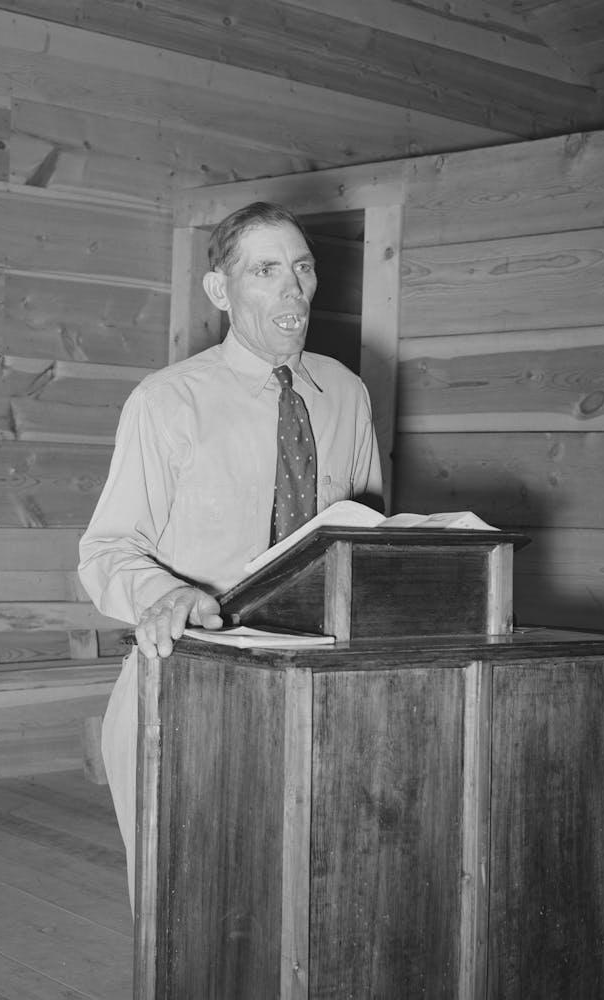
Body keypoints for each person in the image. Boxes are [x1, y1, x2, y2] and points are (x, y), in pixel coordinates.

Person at [78, 201, 383, 904]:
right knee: (189, 911)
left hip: (318, 690)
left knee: (312, 902)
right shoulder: (168, 401)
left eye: (302, 269)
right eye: (266, 270)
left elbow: (365, 543)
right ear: (221, 291)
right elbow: (107, 547)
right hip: (187, 685)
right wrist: (166, 595)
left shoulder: (346, 394)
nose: (292, 290)